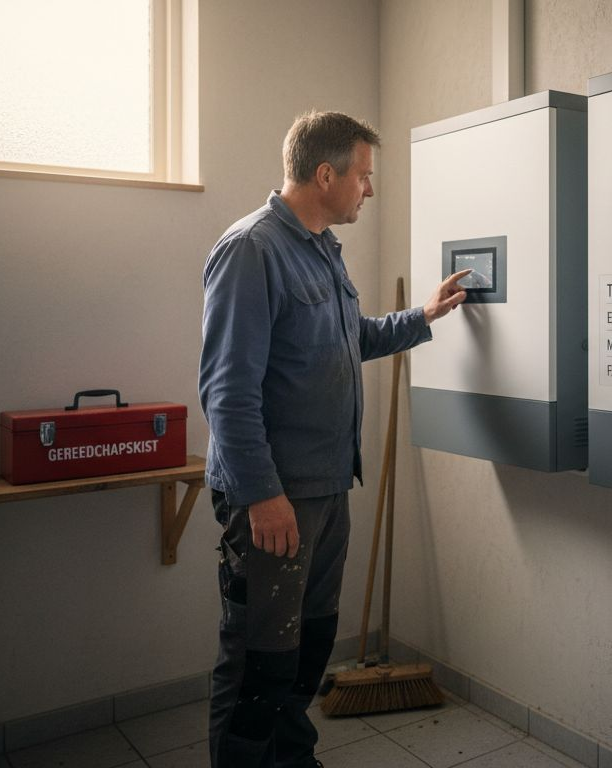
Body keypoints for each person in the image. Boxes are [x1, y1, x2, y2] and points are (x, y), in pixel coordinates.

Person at [198, 110, 469, 768]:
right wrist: (262, 496)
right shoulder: (252, 250)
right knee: (259, 662)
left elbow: (350, 341)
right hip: (274, 500)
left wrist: (422, 317)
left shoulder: (320, 248)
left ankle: (292, 761)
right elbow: (226, 392)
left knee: (306, 650)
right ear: (326, 175)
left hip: (324, 491)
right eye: (364, 177)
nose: (368, 191)